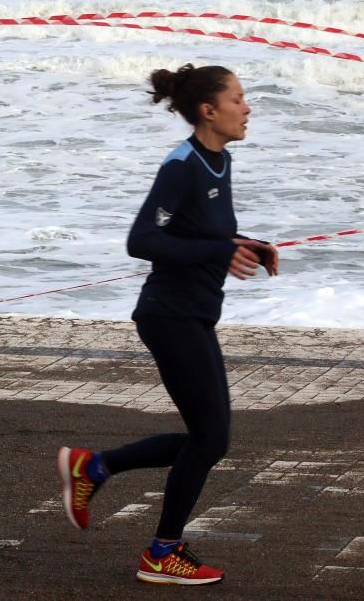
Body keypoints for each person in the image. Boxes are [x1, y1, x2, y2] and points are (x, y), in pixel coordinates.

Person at [56, 63, 279, 585]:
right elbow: (143, 241)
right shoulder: (182, 166)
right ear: (209, 110)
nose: (247, 108)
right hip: (169, 314)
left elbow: (201, 234)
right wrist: (219, 249)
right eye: (239, 99)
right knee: (209, 438)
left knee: (210, 438)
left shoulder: (218, 162)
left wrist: (245, 245)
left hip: (192, 314)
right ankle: (162, 552)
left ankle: (94, 468)